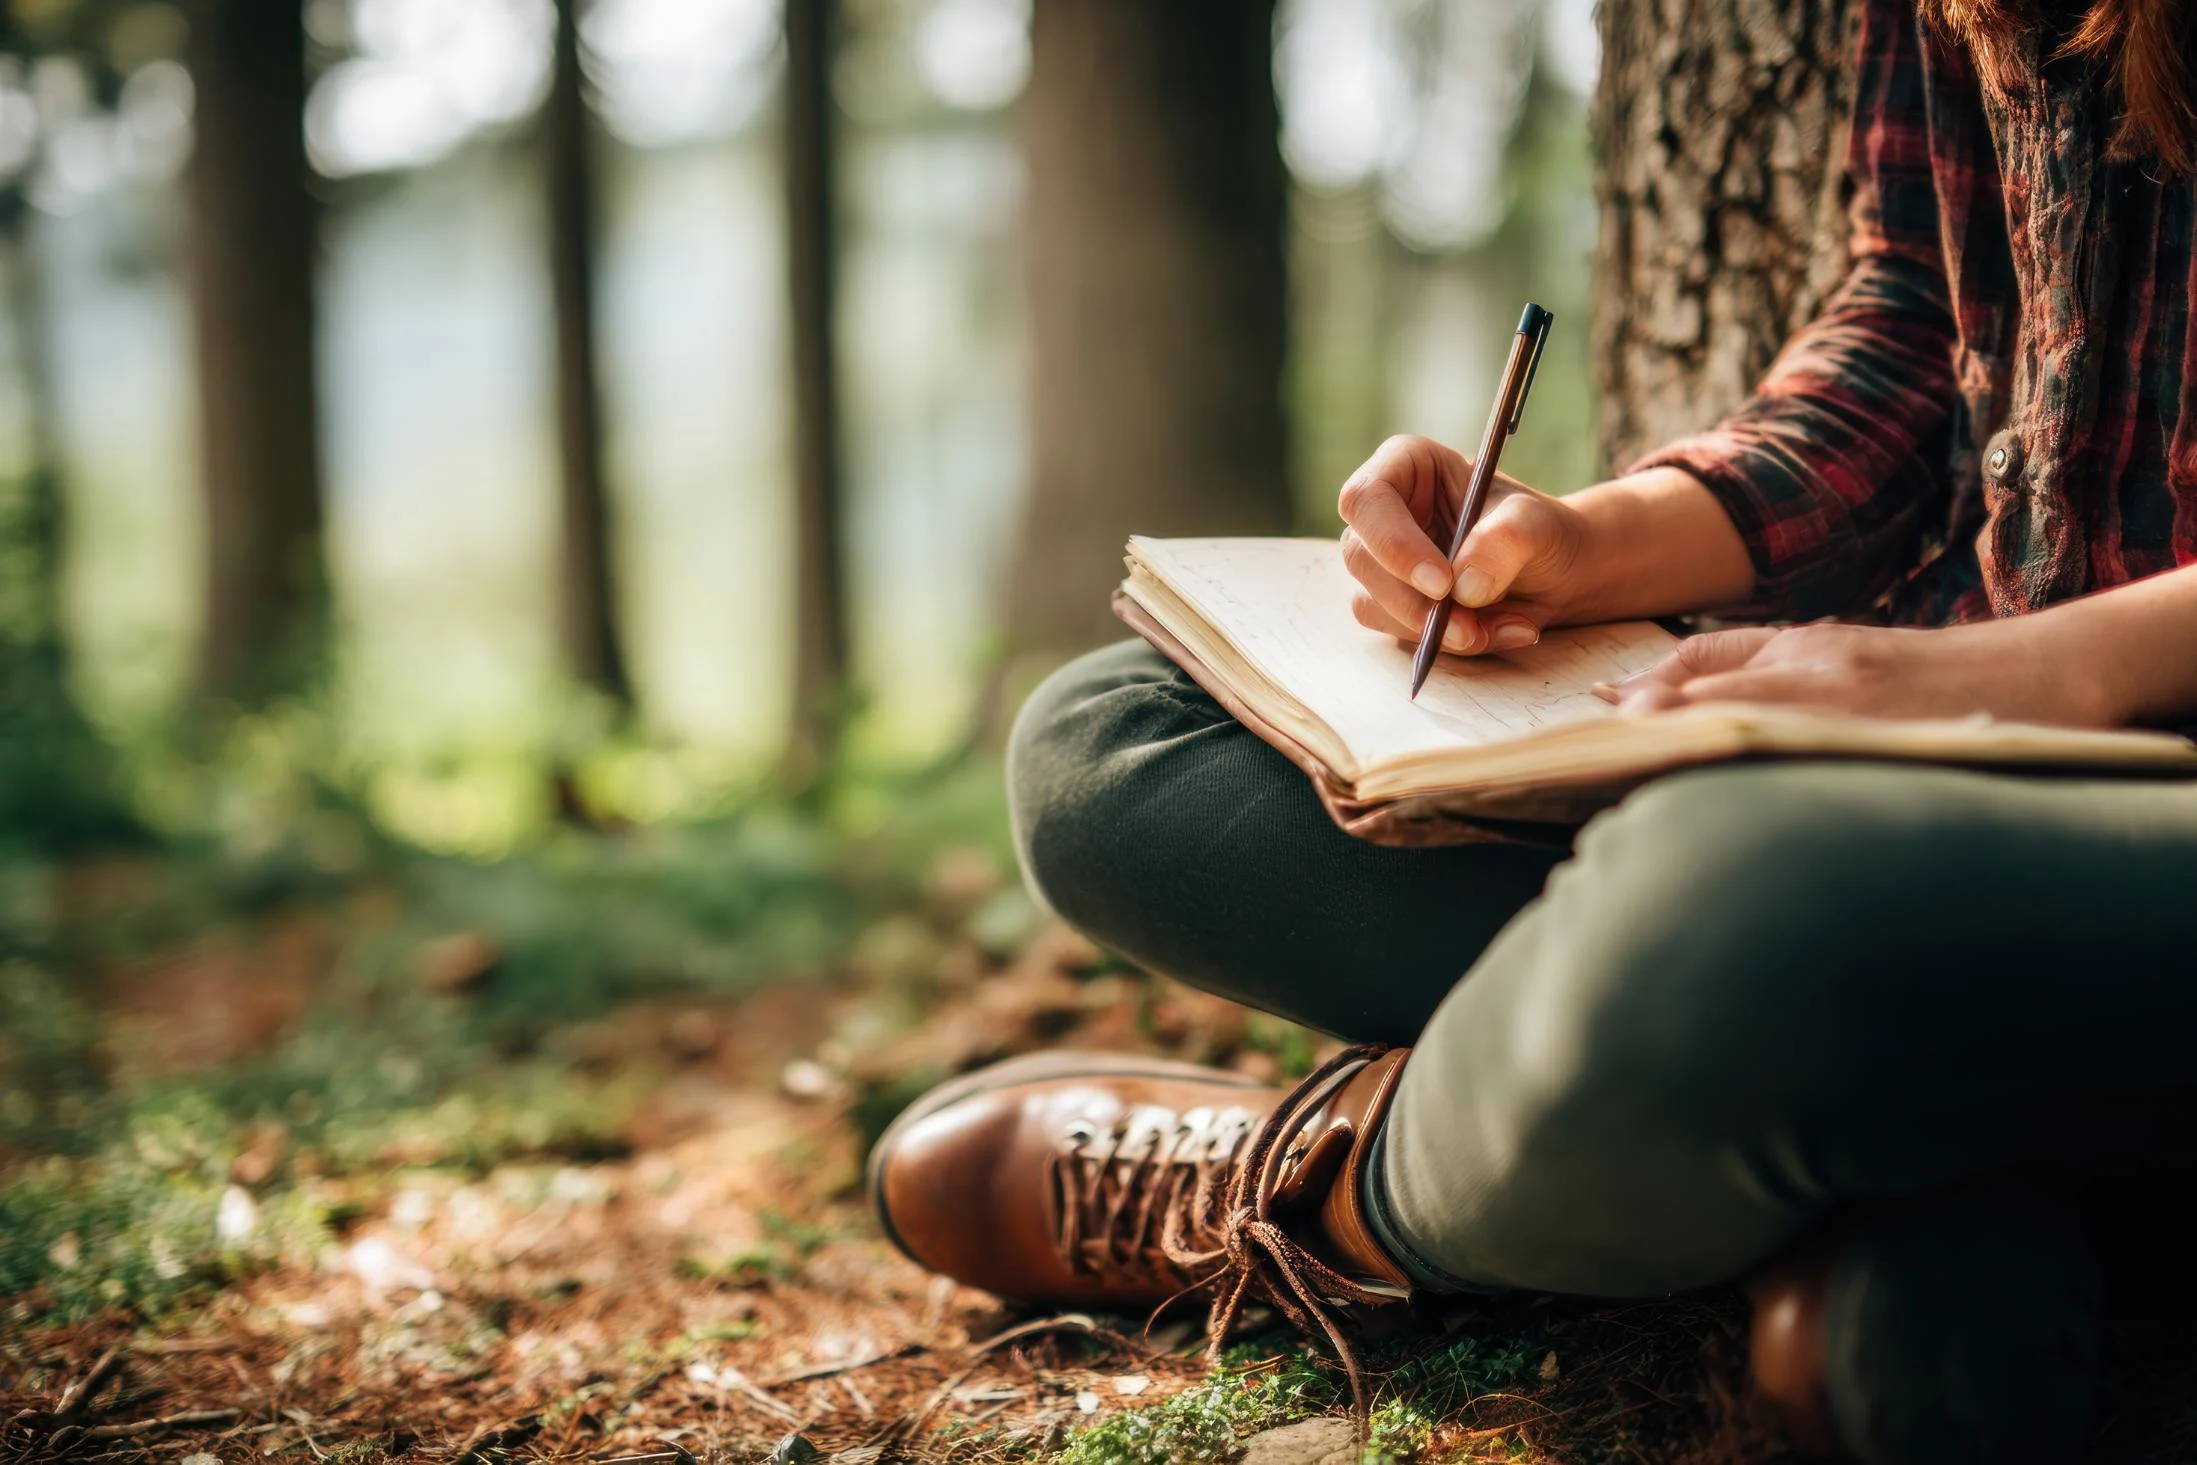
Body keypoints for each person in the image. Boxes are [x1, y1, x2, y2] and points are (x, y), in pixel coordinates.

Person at [867, 0, 2197, 1458]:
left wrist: (2031, 673)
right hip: (1909, 785)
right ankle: (1875, 1153)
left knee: (1760, 896)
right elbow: (1916, 333)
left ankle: (1318, 1192)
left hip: (2071, 808)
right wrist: (1587, 544)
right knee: (1109, 743)